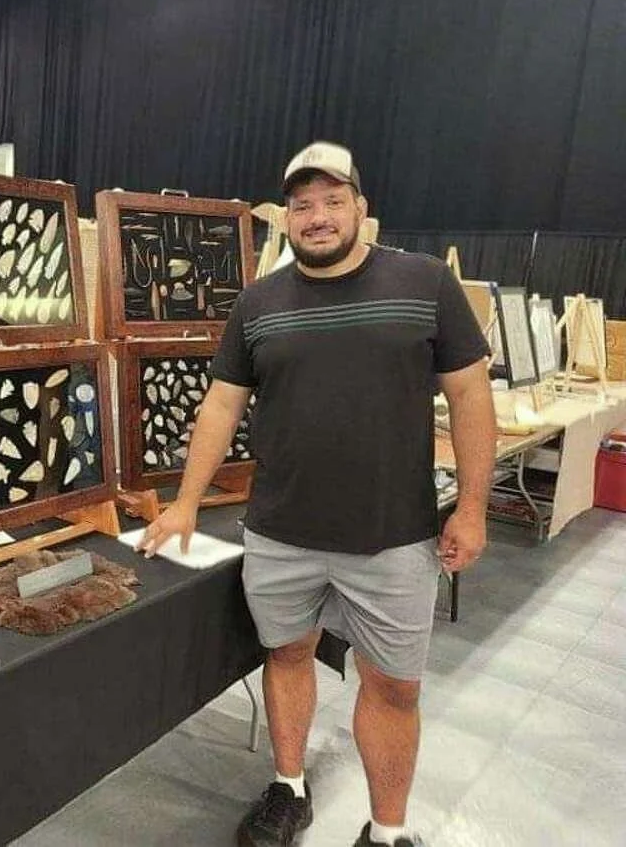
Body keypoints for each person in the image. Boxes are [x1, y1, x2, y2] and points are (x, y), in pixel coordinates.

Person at [136, 142, 496, 847]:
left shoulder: (424, 283)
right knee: (287, 655)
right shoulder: (258, 303)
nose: (318, 216)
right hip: (280, 534)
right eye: (302, 204)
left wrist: (474, 507)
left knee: (393, 687)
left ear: (361, 208)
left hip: (393, 538)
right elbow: (221, 405)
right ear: (287, 218)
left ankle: (387, 830)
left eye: (333, 200)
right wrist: (184, 502)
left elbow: (470, 395)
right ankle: (289, 787)